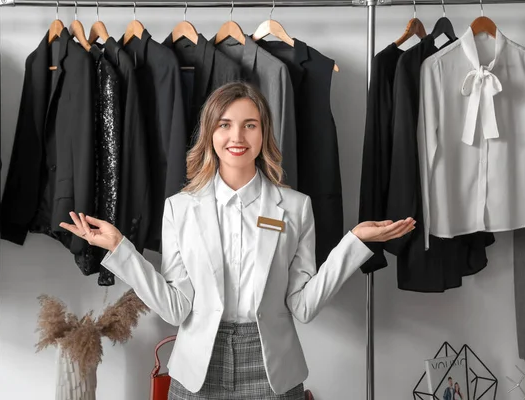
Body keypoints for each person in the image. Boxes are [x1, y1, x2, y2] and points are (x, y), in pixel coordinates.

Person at [60, 82, 415, 399]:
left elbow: (303, 307)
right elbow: (175, 309)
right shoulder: (180, 208)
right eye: (225, 125)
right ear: (210, 133)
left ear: (263, 134)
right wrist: (120, 249)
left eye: (250, 125)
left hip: (272, 368)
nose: (237, 138)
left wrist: (353, 244)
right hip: (197, 369)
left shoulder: (295, 206)